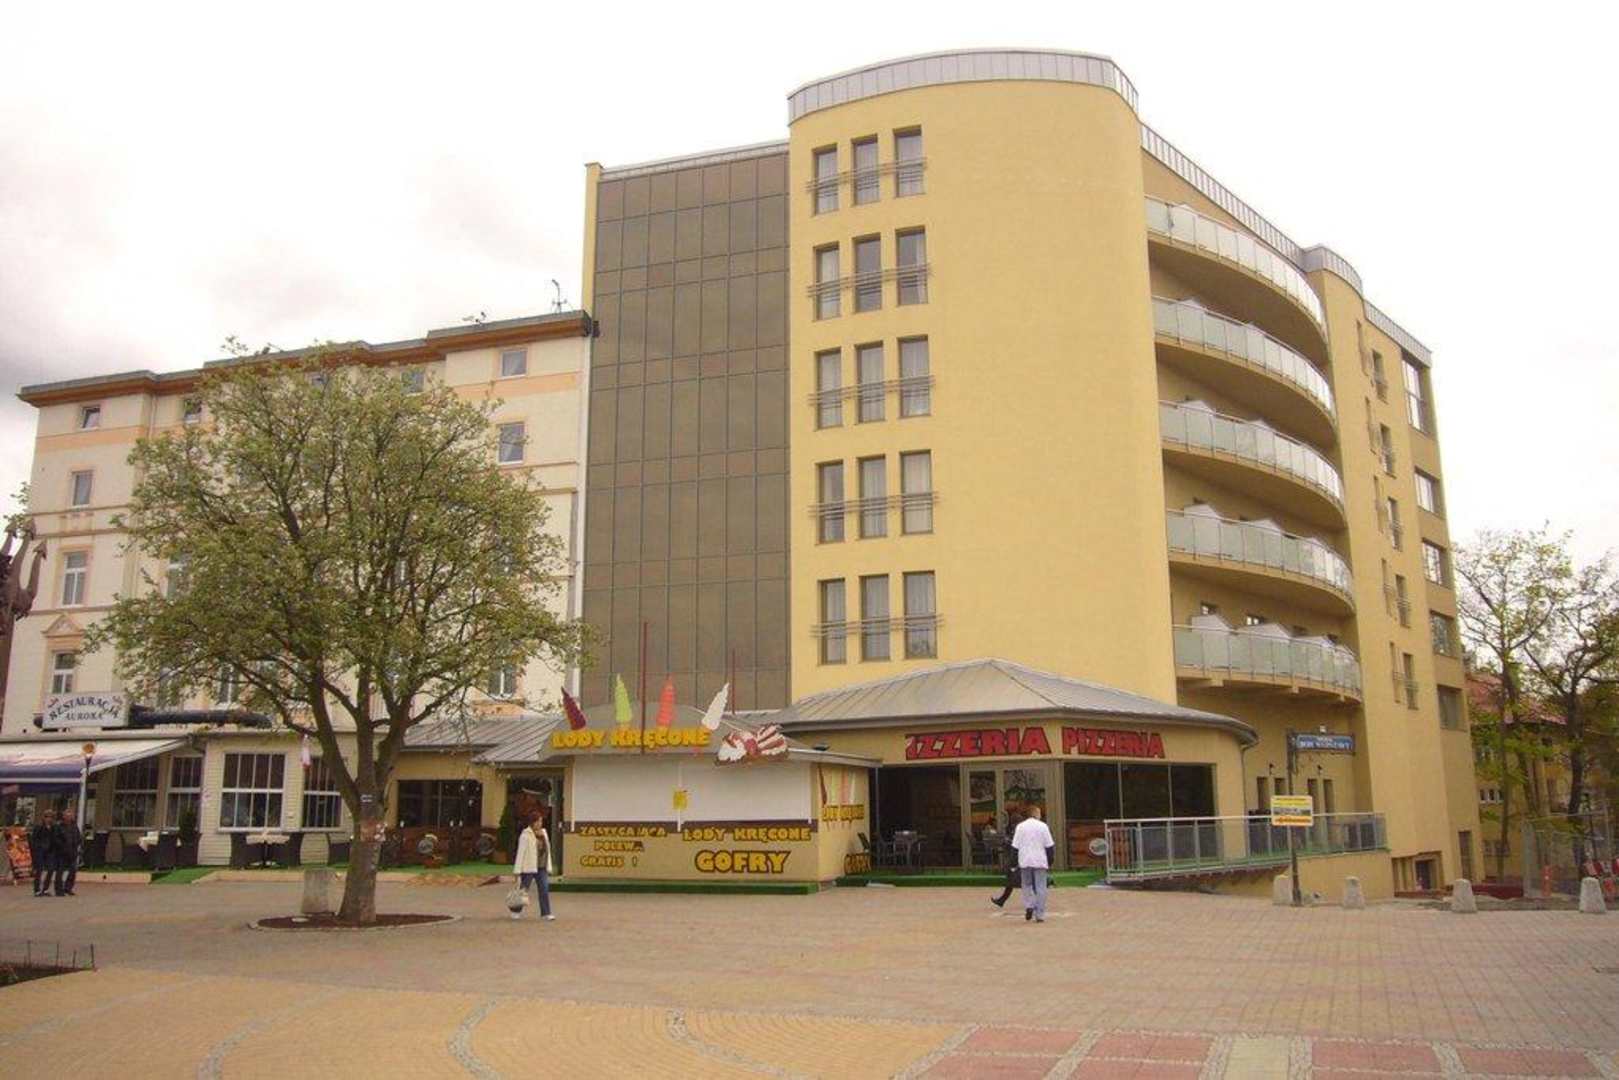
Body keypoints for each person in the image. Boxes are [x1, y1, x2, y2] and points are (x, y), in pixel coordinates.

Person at [1010, 804, 1055, 923]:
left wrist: (1013, 863)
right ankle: (1039, 914)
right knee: (1041, 887)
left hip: (1024, 859)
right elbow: (1049, 846)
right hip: (1040, 860)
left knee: (1026, 885)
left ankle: (1029, 905)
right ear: (1035, 814)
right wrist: (1050, 860)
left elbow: (1015, 847)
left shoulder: (1020, 827)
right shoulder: (1043, 826)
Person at [511, 810, 555, 921]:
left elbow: (547, 851)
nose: (540, 823)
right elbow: (520, 853)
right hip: (529, 867)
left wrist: (549, 866)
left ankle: (546, 913)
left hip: (541, 866)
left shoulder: (544, 833)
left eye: (541, 821)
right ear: (532, 822)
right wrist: (517, 870)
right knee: (523, 890)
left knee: (544, 889)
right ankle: (516, 911)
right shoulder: (525, 835)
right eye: (538, 821)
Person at [29, 808, 57, 898]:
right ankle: (37, 889)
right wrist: (37, 848)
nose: (49, 819)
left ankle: (45, 889)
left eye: (51, 817)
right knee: (39, 870)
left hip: (49, 851)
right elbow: (34, 839)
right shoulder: (39, 826)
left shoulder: (54, 827)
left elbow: (54, 838)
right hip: (40, 851)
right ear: (44, 818)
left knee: (51, 869)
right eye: (47, 817)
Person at [55, 808, 82, 896]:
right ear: (63, 817)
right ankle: (59, 890)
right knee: (60, 871)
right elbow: (56, 839)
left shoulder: (74, 826)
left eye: (70, 816)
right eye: (67, 816)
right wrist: (62, 847)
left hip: (72, 852)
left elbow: (78, 837)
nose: (69, 818)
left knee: (73, 870)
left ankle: (68, 888)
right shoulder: (59, 826)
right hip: (62, 853)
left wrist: (77, 844)